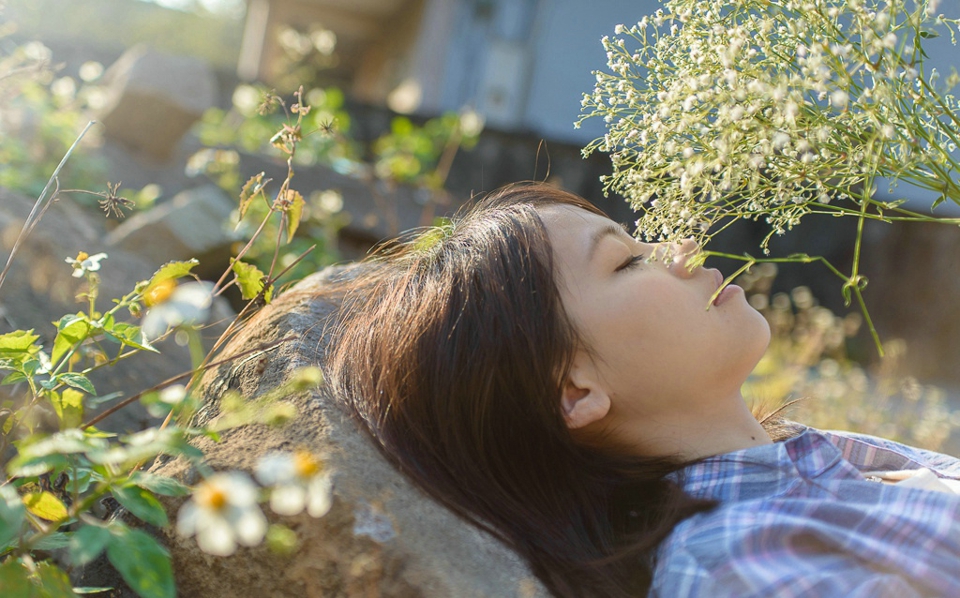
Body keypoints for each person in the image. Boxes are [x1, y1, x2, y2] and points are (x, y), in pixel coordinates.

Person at [323, 182, 960, 598]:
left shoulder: (810, 467)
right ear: (574, 391)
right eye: (627, 262)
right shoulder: (736, 566)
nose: (683, 250)